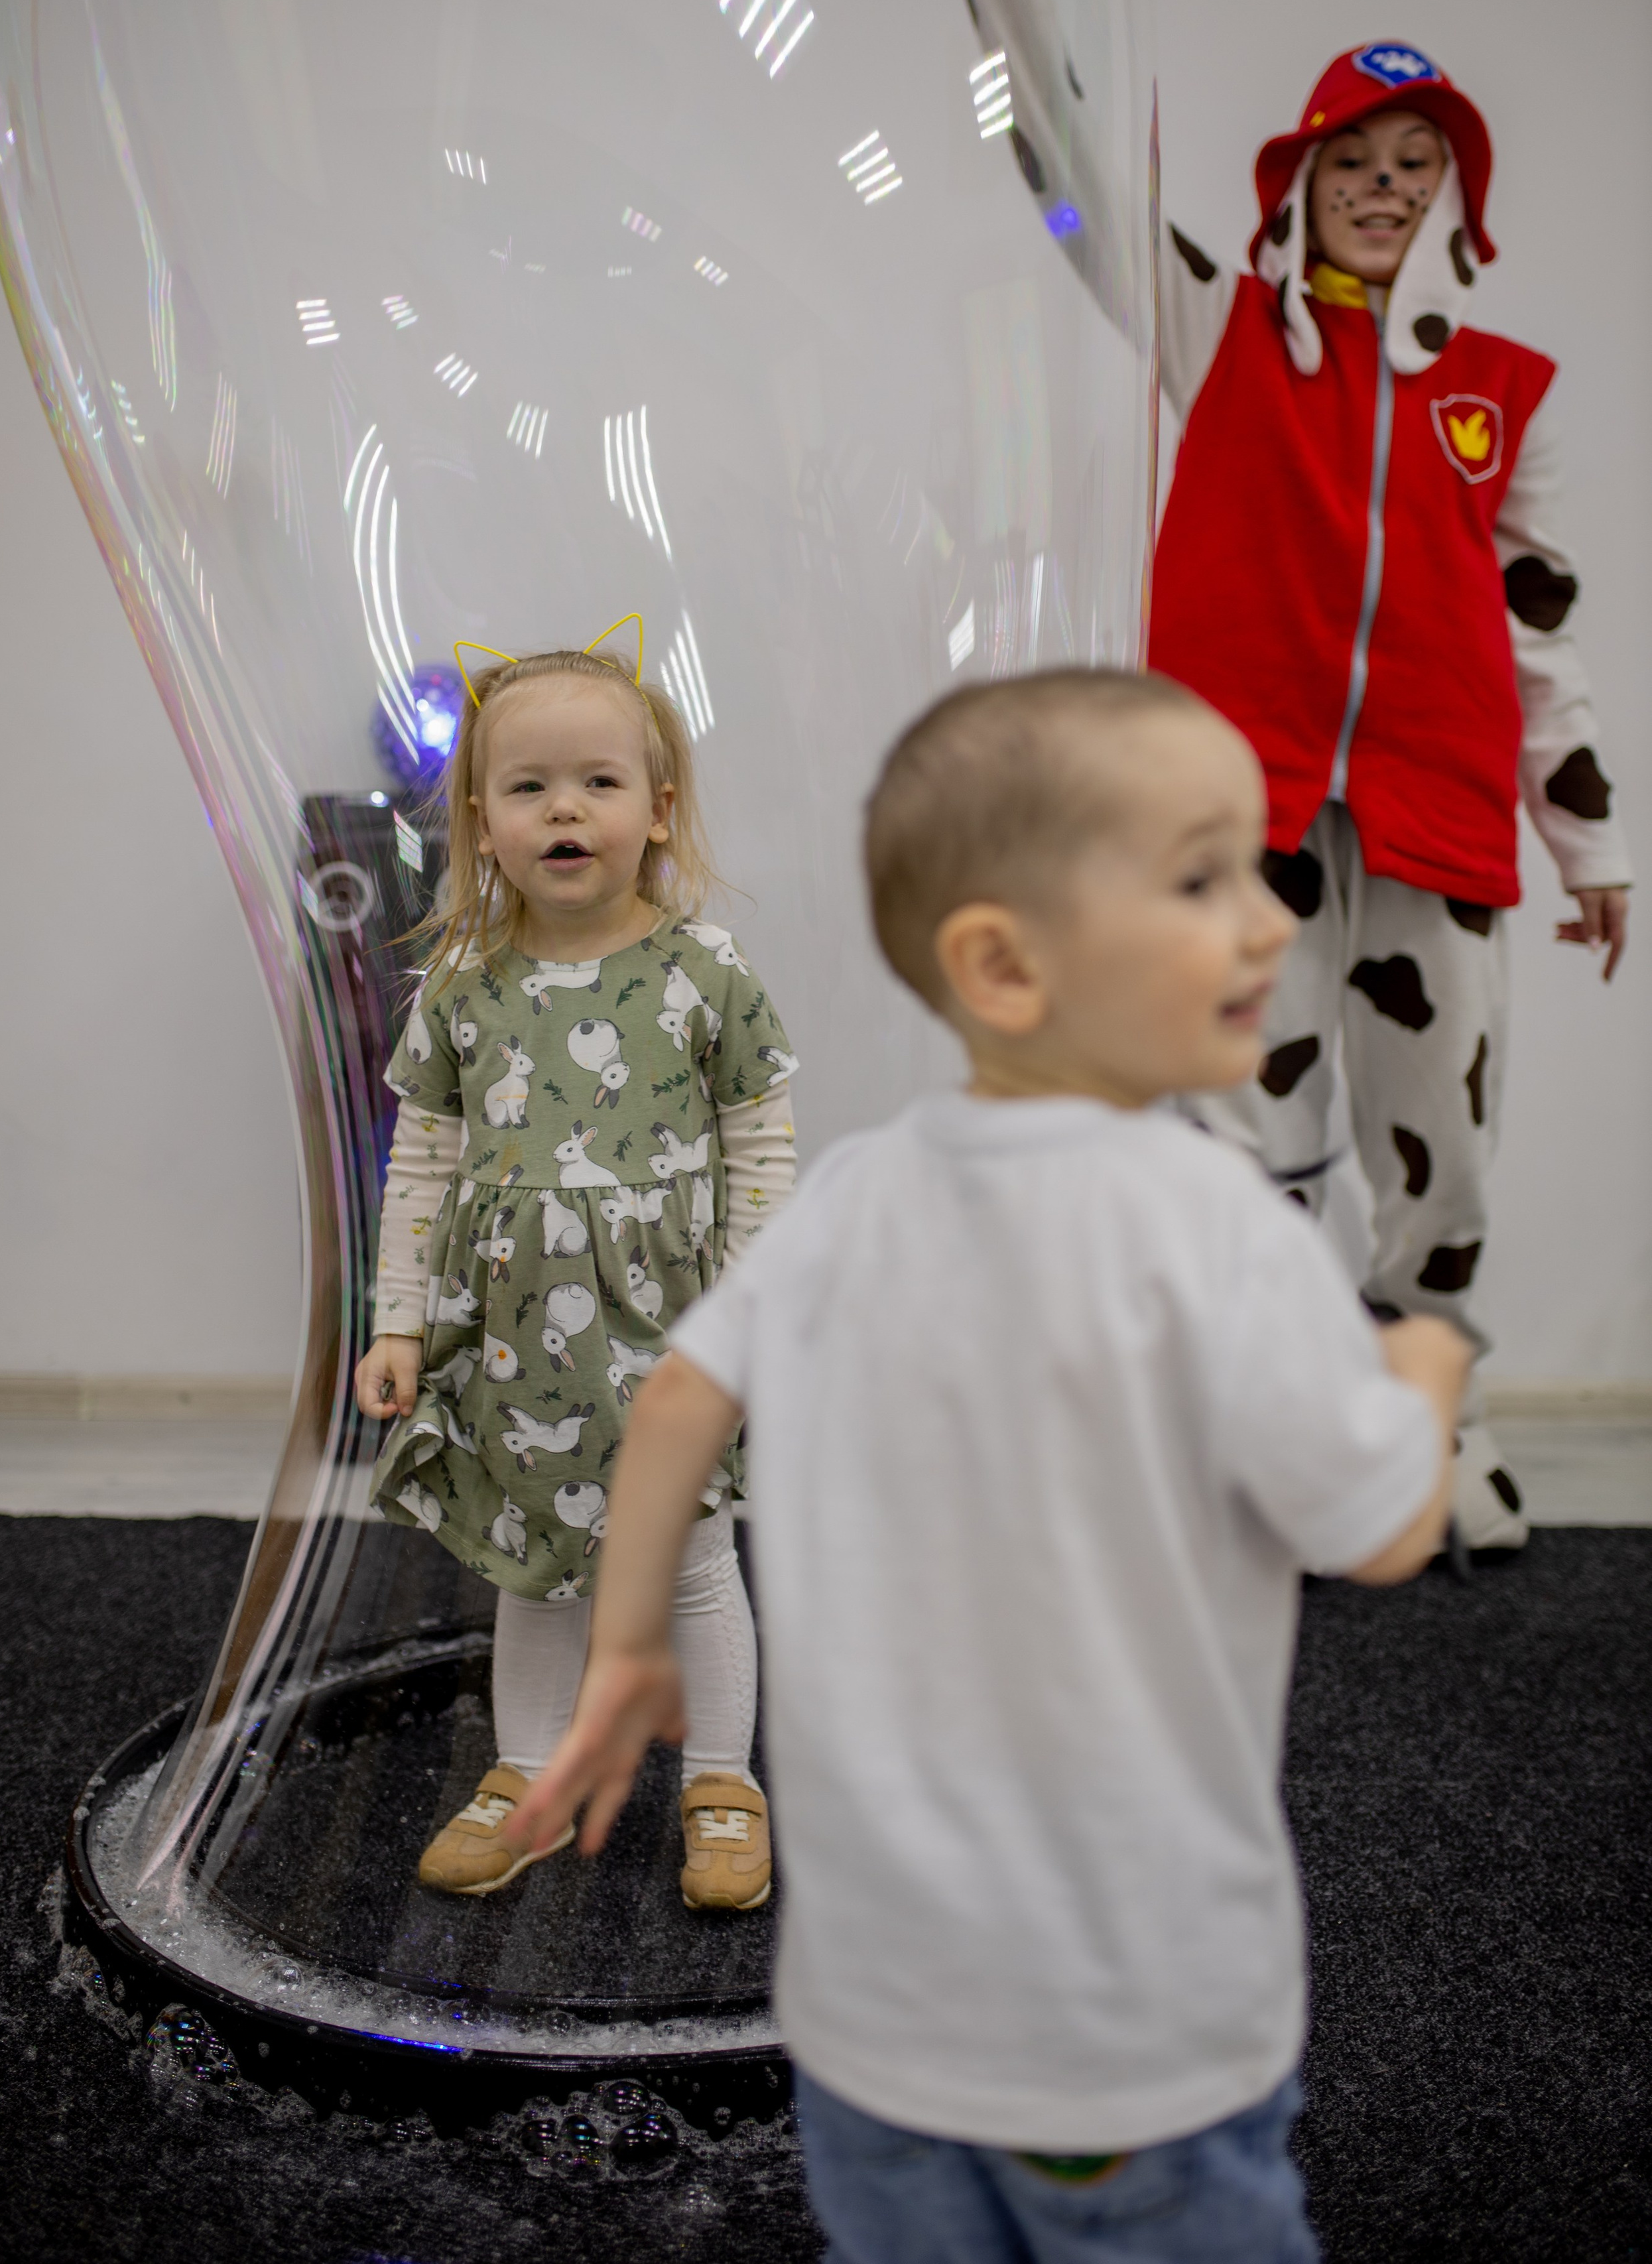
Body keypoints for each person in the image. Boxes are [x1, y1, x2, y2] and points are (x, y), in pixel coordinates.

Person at [506, 668, 1470, 2261]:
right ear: (1002, 964)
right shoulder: (1220, 1224)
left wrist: (624, 1644)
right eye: (1199, 878)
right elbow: (1374, 1529)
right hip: (1135, 2039)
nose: (1265, 922)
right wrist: (1423, 1367)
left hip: (871, 2026)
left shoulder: (853, 1195)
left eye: (1257, 868)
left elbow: (677, 1399)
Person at [915, 0, 1632, 1552]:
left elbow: (1541, 624)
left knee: (1433, 1159)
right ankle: (1257, 1437)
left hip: (1444, 813)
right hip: (1242, 818)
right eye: (1353, 163)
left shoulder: (1501, 390)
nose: (1382, 192)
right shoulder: (1213, 329)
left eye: (1414, 168)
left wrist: (1593, 847)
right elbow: (1062, 148)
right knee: (1243, 1134)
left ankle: (1421, 1442)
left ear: (1448, 200)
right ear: (1298, 180)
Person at [354, 642, 797, 1909]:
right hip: (511, 1347)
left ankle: (722, 1782)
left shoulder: (706, 974)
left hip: (673, 1333)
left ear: (658, 812)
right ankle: (527, 1773)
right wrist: (397, 1325)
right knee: (530, 1565)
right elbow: (423, 1169)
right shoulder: (460, 987)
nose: (564, 810)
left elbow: (763, 1153)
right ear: (481, 822)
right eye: (529, 788)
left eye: (598, 782)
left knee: (695, 1559)